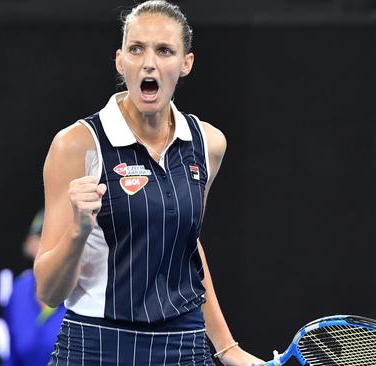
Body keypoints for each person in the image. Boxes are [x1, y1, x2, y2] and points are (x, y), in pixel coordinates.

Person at [34, 1, 263, 364]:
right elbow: (48, 291)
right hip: (96, 347)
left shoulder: (208, 144)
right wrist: (78, 233)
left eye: (164, 50)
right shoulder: (76, 145)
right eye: (136, 48)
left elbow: (186, 248)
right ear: (120, 60)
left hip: (183, 347)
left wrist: (228, 349)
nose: (148, 62)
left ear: (185, 63)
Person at [4, 209, 67, 366]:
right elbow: (13, 358)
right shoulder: (19, 290)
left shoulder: (84, 291)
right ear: (30, 243)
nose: (50, 244)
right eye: (42, 236)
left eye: (59, 237)